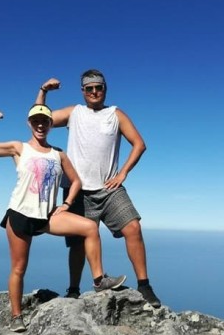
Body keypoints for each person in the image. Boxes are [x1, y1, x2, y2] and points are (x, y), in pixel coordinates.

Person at [0, 103, 126, 332]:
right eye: (36, 121)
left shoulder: (58, 154)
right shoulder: (19, 148)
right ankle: (16, 316)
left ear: (50, 125)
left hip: (46, 216)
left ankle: (99, 280)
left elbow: (76, 181)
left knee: (90, 228)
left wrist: (66, 204)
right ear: (29, 123)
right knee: (19, 268)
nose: (40, 125)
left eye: (44, 121)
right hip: (20, 214)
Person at [35, 69, 161, 308]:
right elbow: (39, 117)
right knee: (77, 243)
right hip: (77, 190)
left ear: (105, 89)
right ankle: (73, 290)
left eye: (98, 87)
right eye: (89, 88)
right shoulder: (74, 112)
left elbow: (139, 144)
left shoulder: (115, 114)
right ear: (83, 91)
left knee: (133, 227)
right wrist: (43, 91)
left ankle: (144, 286)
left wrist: (122, 173)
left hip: (109, 188)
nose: (94, 92)